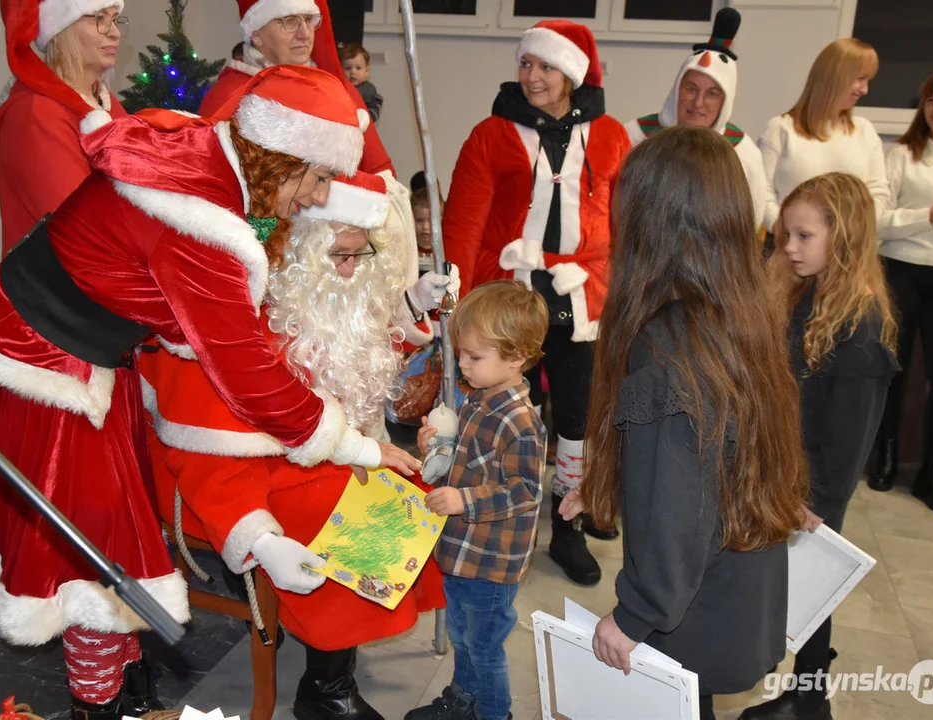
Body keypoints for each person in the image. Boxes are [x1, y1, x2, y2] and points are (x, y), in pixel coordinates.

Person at [0, 65, 403, 720]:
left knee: (110, 539)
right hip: (45, 369)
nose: (318, 195)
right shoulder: (201, 230)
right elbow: (244, 371)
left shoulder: (197, 151)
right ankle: (96, 705)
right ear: (280, 158)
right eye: (319, 175)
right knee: (90, 558)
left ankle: (120, 683)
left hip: (66, 346)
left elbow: (154, 288)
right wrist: (353, 446)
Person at [140, 171, 442, 720]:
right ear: (298, 253)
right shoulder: (236, 310)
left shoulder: (314, 294)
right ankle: (327, 687)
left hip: (302, 455)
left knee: (398, 484)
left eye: (359, 255)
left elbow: (350, 349)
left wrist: (408, 305)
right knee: (349, 508)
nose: (350, 270)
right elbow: (203, 444)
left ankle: (330, 668)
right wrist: (254, 533)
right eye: (340, 257)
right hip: (226, 476)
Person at [562, 126, 808, 720]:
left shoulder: (665, 346)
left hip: (691, 599)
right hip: (739, 575)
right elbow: (707, 455)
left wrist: (635, 614)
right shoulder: (739, 311)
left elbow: (679, 497)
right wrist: (608, 487)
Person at [443, 19, 630, 586]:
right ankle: (491, 507)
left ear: (571, 73)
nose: (533, 77)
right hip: (508, 293)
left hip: (580, 294)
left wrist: (621, 287)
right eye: (526, 64)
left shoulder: (611, 135)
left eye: (546, 66)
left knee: (576, 416)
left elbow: (625, 221)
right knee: (500, 410)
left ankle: (567, 524)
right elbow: (465, 220)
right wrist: (455, 290)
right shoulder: (490, 134)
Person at [740, 174, 898, 720]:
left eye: (803, 236)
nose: (788, 248)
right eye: (787, 234)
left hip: (812, 490)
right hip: (783, 473)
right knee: (797, 594)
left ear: (844, 237)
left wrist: (819, 507)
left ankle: (810, 700)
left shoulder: (860, 325)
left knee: (811, 592)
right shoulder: (805, 290)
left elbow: (851, 439)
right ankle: (806, 697)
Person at [406, 279, 549, 720]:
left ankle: (493, 713)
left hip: (490, 562)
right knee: (462, 635)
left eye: (475, 357)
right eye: (462, 354)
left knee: (484, 647)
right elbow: (463, 459)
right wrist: (433, 448)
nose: (463, 365)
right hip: (461, 551)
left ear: (516, 357)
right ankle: (463, 699)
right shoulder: (477, 399)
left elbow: (525, 491)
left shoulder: (521, 423)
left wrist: (464, 500)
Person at [868, 69, 933, 517]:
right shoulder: (903, 154)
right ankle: (884, 457)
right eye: (929, 100)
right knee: (895, 368)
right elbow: (880, 219)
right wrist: (928, 216)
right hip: (902, 267)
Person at [0, 0, 129, 257]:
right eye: (99, 18)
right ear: (59, 29)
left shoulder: (106, 105)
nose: (115, 32)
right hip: (61, 290)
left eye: (114, 19)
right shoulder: (35, 113)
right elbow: (81, 228)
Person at [198, 0, 394, 177]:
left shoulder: (340, 90)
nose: (305, 34)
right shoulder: (229, 95)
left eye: (308, 20)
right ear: (256, 34)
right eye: (289, 21)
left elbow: (382, 173)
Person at [624, 7, 766, 227]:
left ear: (725, 99)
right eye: (691, 88)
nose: (698, 103)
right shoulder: (635, 136)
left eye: (712, 93)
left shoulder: (744, 153)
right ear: (677, 87)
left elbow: (750, 224)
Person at [758, 38, 889, 238]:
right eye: (860, 79)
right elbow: (760, 190)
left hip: (846, 253)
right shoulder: (780, 129)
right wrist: (787, 232)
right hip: (787, 250)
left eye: (868, 80)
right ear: (836, 77)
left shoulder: (865, 131)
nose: (865, 90)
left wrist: (854, 231)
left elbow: (878, 192)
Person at [340, 42, 382, 122]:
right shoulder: (338, 87)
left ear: (367, 71)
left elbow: (375, 109)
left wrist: (366, 119)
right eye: (348, 68)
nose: (353, 72)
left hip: (362, 128)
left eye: (358, 68)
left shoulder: (369, 89)